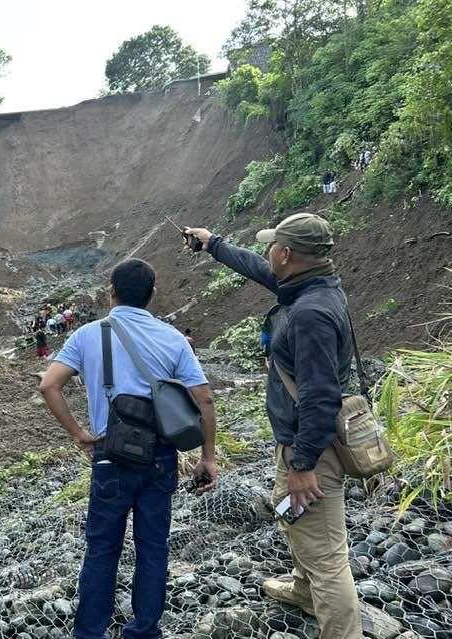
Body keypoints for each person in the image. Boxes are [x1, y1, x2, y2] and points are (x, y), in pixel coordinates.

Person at [185, 214, 362, 639]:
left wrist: (303, 465)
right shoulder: (312, 285)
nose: (267, 254)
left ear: (285, 253)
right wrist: (213, 244)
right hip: (298, 441)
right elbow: (259, 269)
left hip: (312, 449)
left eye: (272, 247)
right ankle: (304, 590)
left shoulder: (310, 313)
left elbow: (321, 397)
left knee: (326, 556)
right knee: (294, 518)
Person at [39, 258, 219, 639]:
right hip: (160, 457)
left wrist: (78, 433)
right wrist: (207, 457)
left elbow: (49, 385)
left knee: (102, 549)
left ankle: (90, 632)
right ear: (152, 294)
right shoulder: (172, 338)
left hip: (110, 456)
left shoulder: (87, 335)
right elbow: (204, 399)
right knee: (153, 547)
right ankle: (144, 630)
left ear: (111, 292)